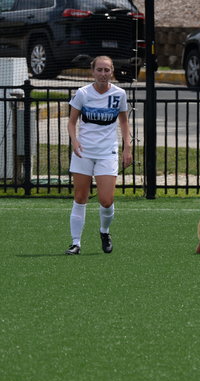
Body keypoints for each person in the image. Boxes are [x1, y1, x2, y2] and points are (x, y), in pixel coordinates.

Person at [65, 56, 132, 255]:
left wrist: (127, 147)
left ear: (112, 72)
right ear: (92, 71)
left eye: (107, 70)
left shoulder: (119, 94)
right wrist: (74, 141)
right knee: (80, 197)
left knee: (106, 200)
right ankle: (75, 242)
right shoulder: (83, 93)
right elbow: (71, 122)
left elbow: (124, 121)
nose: (103, 74)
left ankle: (104, 231)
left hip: (107, 153)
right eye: (99, 70)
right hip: (83, 152)